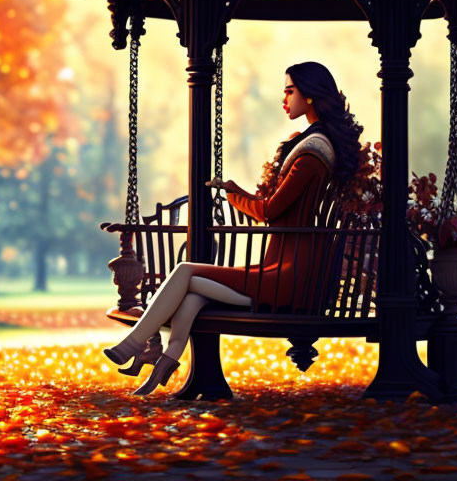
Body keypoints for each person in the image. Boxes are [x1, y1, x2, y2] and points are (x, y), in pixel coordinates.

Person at [103, 61, 363, 395]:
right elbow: (280, 207)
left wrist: (233, 195)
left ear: (310, 96)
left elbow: (270, 210)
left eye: (290, 91)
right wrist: (236, 191)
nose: (284, 99)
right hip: (287, 264)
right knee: (194, 289)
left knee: (185, 270)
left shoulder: (311, 153)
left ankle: (136, 342)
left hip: (290, 273)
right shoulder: (314, 144)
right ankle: (167, 358)